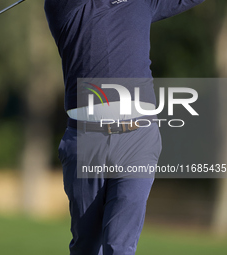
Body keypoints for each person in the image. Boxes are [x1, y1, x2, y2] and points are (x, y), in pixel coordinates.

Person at [44, 0, 206, 254]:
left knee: (119, 247)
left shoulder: (142, 3)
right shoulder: (66, 7)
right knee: (87, 246)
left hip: (138, 139)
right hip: (86, 139)